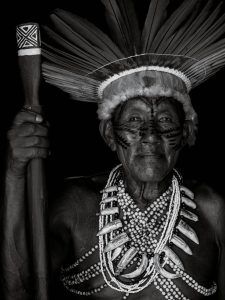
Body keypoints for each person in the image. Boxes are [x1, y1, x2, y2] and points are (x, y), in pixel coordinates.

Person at [1, 0, 225, 299]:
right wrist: (16, 171)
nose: (150, 136)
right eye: (134, 120)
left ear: (185, 132)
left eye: (165, 120)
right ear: (109, 134)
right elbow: (19, 289)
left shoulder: (212, 210)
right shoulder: (76, 207)